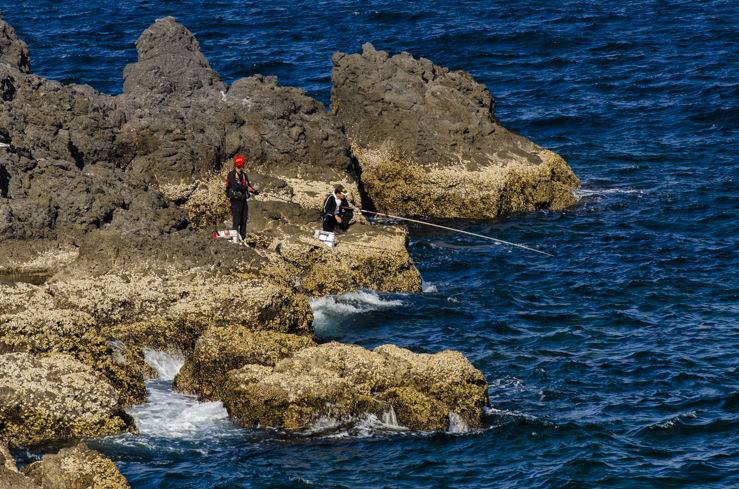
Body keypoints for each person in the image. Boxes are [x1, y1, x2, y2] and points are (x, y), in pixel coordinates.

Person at [225, 154, 258, 239]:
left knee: (244, 221)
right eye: (238, 166)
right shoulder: (231, 175)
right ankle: (234, 239)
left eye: (241, 166)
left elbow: (249, 186)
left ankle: (243, 239)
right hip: (235, 201)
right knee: (236, 221)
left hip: (243, 201)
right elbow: (235, 186)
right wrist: (246, 188)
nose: (240, 167)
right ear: (236, 165)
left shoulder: (244, 175)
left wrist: (256, 192)